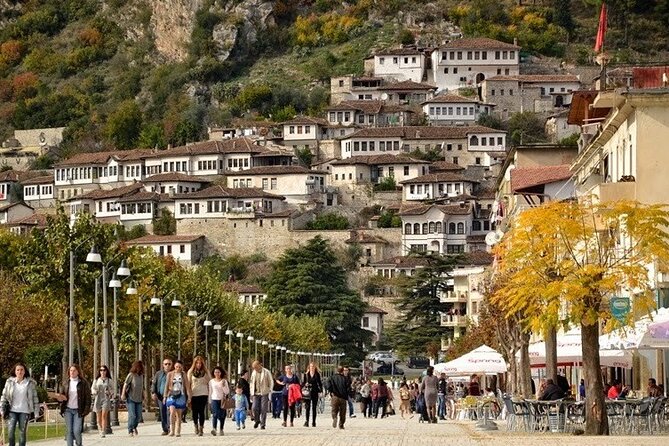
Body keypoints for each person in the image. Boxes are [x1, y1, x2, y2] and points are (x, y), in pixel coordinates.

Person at [0, 362, 40, 446]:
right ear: (15, 371)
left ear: (25, 371)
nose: (20, 372)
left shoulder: (30, 383)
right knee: (10, 431)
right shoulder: (9, 382)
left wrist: (36, 412)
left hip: (24, 411)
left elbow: (35, 398)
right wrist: (2, 409)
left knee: (22, 432)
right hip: (12, 410)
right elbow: (4, 396)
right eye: (18, 370)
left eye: (22, 370)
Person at [55, 364, 91, 446]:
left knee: (77, 431)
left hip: (78, 410)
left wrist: (86, 410)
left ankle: (79, 444)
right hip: (68, 409)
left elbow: (88, 398)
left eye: (74, 370)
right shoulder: (65, 383)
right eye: (71, 370)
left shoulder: (83, 383)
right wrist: (59, 398)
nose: (72, 372)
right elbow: (61, 395)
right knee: (69, 430)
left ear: (78, 372)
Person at [163, 359, 190, 437]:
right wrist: (165, 396)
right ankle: (171, 430)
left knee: (178, 414)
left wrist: (189, 397)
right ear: (174, 366)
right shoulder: (170, 374)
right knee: (172, 412)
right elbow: (166, 386)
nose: (178, 368)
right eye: (176, 366)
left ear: (181, 367)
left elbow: (187, 386)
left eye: (179, 367)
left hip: (181, 395)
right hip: (171, 395)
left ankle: (178, 431)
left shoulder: (183, 374)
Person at [187, 355, 210, 436]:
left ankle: (201, 428)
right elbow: (188, 384)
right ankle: (196, 425)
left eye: (200, 363)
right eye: (197, 363)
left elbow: (209, 382)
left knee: (201, 411)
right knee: (194, 412)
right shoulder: (190, 372)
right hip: (194, 394)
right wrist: (188, 395)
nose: (199, 365)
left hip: (203, 393)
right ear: (194, 363)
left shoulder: (206, 372)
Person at [121, 360, 145, 437]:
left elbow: (142, 387)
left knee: (138, 416)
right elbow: (125, 384)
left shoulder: (141, 376)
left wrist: (144, 396)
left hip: (139, 398)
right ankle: (130, 430)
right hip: (131, 398)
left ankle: (134, 427)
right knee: (132, 415)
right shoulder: (131, 375)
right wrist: (123, 394)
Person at [151, 357, 173, 436]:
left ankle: (171, 428)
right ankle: (165, 429)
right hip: (160, 397)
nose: (167, 365)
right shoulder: (158, 374)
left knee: (170, 412)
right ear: (163, 365)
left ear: (171, 365)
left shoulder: (174, 373)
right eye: (166, 364)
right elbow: (154, 383)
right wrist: (153, 392)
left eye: (169, 364)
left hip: (171, 396)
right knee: (163, 412)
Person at [249, 360, 273, 430]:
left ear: (260, 365)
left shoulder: (266, 372)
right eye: (254, 368)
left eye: (256, 367)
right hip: (255, 393)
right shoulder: (253, 373)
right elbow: (251, 382)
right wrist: (251, 392)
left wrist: (270, 390)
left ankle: (263, 424)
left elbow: (271, 381)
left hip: (264, 393)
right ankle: (257, 420)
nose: (255, 369)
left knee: (263, 409)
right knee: (254, 408)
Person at [91, 364, 113, 438]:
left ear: (106, 371)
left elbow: (113, 389)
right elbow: (92, 388)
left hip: (105, 399)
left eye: (104, 370)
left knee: (104, 415)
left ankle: (103, 431)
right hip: (98, 398)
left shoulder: (109, 380)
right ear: (99, 372)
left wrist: (109, 392)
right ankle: (100, 429)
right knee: (98, 416)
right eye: (101, 370)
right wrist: (94, 392)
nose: (102, 372)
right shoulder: (96, 380)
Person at [208, 366, 230, 436]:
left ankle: (221, 429)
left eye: (218, 372)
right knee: (215, 414)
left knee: (222, 416)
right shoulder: (211, 381)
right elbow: (210, 391)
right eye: (215, 372)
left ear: (221, 373)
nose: (217, 373)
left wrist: (223, 386)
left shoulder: (224, 381)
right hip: (214, 399)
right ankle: (214, 429)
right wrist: (209, 401)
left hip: (222, 400)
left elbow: (227, 392)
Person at [302, 362, 323, 427]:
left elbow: (320, 383)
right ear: (309, 367)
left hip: (315, 392)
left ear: (315, 367)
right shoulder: (306, 374)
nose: (312, 368)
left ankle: (314, 422)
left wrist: (321, 391)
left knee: (314, 407)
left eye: (313, 366)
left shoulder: (317, 374)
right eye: (311, 366)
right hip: (307, 393)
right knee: (307, 407)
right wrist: (305, 384)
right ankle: (307, 421)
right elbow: (303, 383)